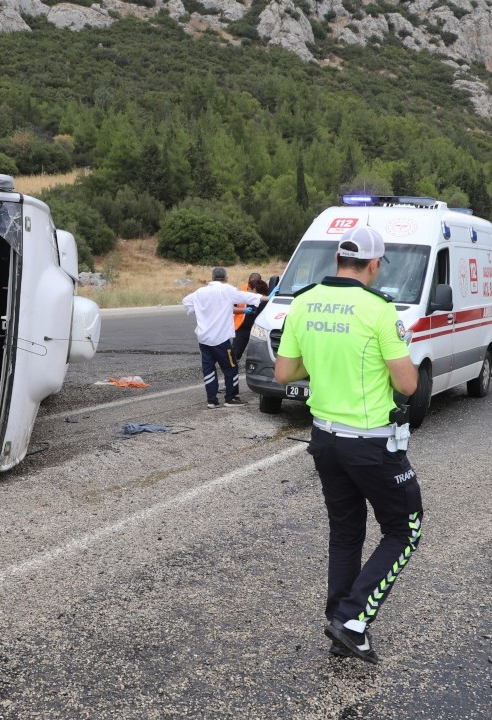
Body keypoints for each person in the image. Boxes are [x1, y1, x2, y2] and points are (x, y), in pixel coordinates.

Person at [273, 226, 422, 664]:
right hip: (372, 443)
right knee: (404, 529)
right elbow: (408, 384)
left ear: (338, 259)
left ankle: (340, 619)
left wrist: (323, 363)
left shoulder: (303, 302)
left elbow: (283, 375)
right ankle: (353, 620)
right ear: (374, 265)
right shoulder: (378, 310)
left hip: (325, 438)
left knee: (346, 531)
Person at [182, 267, 265, 409]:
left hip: (204, 339)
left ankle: (212, 400)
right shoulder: (227, 290)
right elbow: (247, 296)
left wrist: (201, 311)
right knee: (231, 367)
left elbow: (186, 301)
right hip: (220, 339)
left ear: (212, 277)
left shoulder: (200, 292)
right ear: (226, 278)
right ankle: (230, 398)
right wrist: (269, 297)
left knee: (208, 369)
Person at [231, 276, 270, 361]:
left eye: (248, 289)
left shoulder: (266, 301)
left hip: (260, 331)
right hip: (243, 328)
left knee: (260, 356)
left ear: (254, 289)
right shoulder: (243, 296)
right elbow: (231, 308)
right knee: (235, 354)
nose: (247, 291)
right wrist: (243, 310)